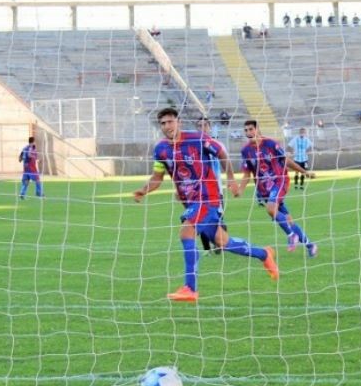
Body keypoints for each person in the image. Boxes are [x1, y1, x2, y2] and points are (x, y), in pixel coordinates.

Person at [133, 108, 279, 303]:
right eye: (163, 123)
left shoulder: (197, 139)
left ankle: (190, 288)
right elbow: (157, 177)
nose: (167, 126)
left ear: (179, 122)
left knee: (186, 232)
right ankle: (264, 254)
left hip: (208, 198)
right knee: (223, 242)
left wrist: (230, 179)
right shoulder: (160, 149)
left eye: (170, 122)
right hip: (191, 201)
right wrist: (144, 190)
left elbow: (222, 153)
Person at [238, 120, 318, 257]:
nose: (248, 133)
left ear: (257, 129)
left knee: (271, 209)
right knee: (287, 219)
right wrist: (240, 189)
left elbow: (286, 161)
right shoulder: (246, 151)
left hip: (279, 181)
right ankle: (310, 244)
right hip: (264, 189)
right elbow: (247, 173)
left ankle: (291, 235)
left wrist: (305, 173)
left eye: (251, 129)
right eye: (246, 130)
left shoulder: (270, 144)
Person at [195, 118, 224, 256]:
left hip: (216, 189)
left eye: (205, 125)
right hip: (198, 190)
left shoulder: (217, 145)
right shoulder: (193, 146)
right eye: (199, 126)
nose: (202, 128)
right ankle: (207, 249)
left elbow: (225, 160)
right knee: (200, 218)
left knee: (218, 218)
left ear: (210, 127)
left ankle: (219, 243)